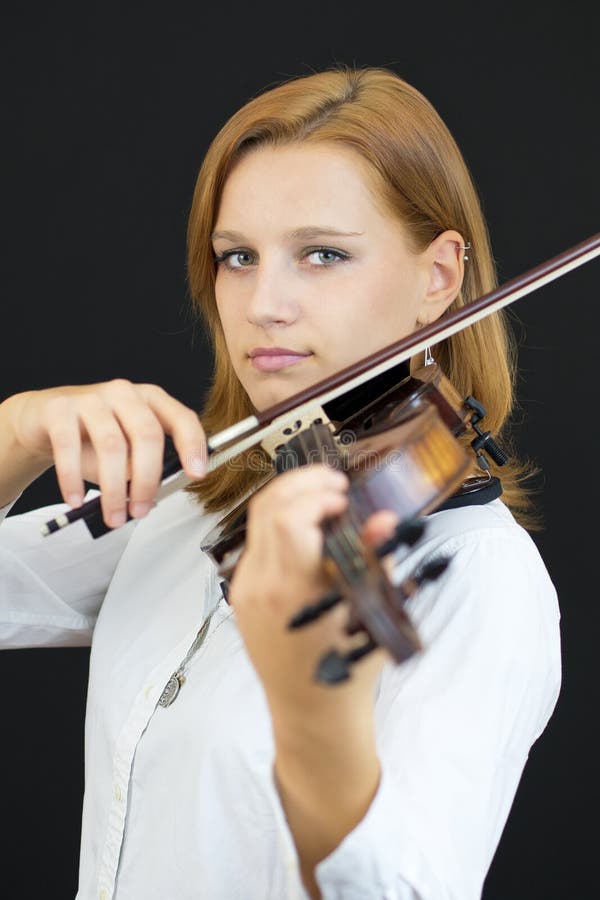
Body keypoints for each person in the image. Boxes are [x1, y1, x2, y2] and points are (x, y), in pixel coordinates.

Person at [0, 65, 561, 900]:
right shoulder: (191, 509)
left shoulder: (480, 578)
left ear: (438, 278)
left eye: (322, 254)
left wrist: (313, 712)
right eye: (237, 258)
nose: (263, 303)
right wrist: (16, 430)